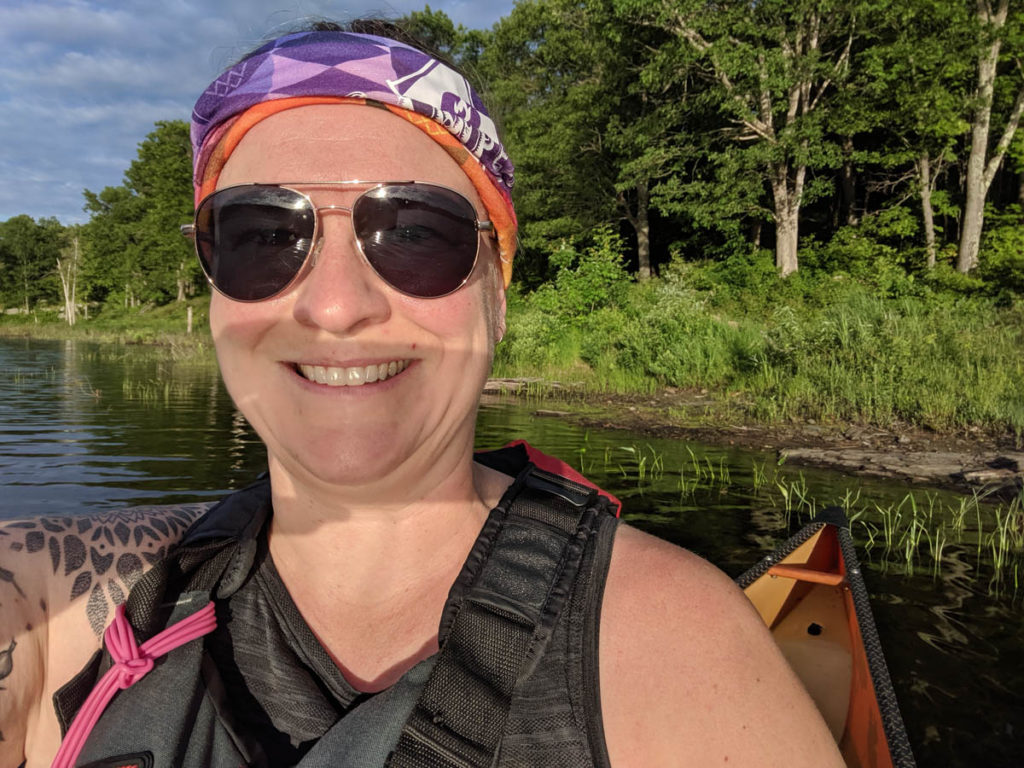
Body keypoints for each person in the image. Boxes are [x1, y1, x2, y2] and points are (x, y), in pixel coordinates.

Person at [0, 21, 844, 768]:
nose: (336, 306)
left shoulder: (674, 654)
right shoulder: (50, 617)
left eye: (411, 232)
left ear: (497, 295)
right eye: (263, 236)